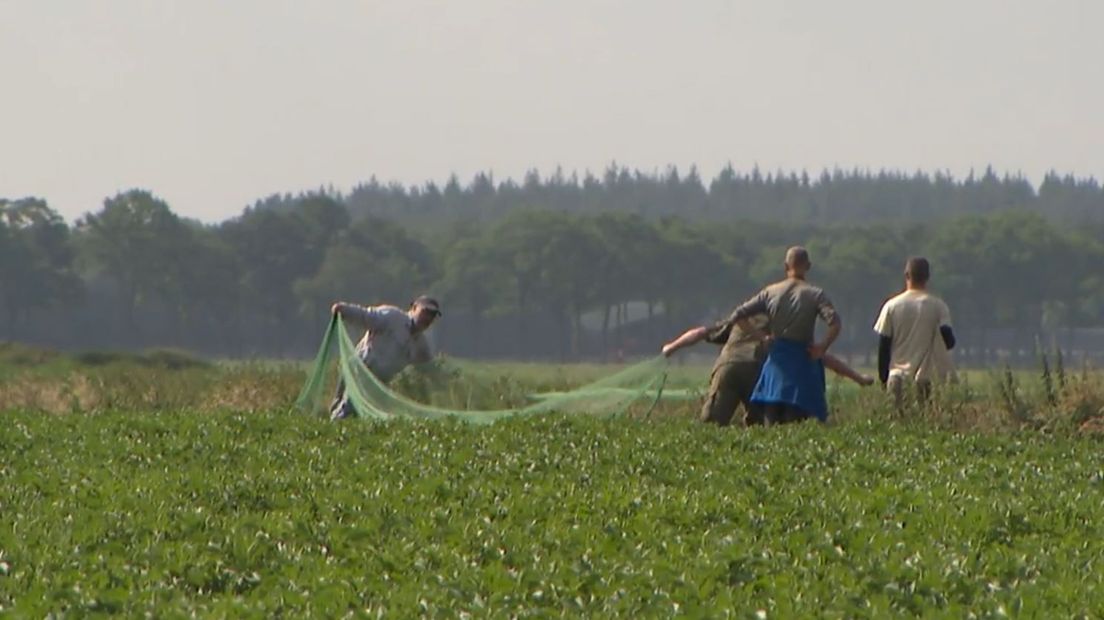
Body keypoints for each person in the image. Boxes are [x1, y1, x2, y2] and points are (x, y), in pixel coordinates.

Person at [663, 313, 873, 427]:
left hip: (727, 368)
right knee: (760, 427)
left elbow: (700, 332)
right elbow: (822, 356)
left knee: (711, 424)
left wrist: (672, 347)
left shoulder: (741, 319)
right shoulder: (784, 327)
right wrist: (858, 378)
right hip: (756, 372)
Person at [726, 246, 842, 424]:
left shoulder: (770, 292)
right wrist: (821, 348)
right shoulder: (815, 294)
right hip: (802, 366)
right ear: (808, 266)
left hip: (775, 366)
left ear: (785, 266)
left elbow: (738, 316)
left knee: (771, 425)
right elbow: (835, 323)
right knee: (798, 425)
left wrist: (761, 337)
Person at [328, 295, 442, 419]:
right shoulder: (392, 317)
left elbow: (430, 368)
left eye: (432, 315)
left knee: (357, 416)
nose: (428, 318)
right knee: (345, 412)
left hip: (377, 385)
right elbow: (365, 316)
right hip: (360, 372)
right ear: (414, 308)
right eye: (425, 312)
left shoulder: (420, 344)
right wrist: (344, 310)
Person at [873, 257, 956, 405]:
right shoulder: (938, 306)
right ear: (928, 277)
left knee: (898, 424)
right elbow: (949, 341)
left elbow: (883, 347)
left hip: (897, 377)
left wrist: (883, 379)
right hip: (926, 378)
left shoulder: (891, 306)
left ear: (906, 275)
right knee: (925, 423)